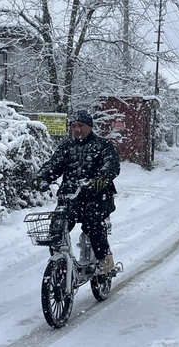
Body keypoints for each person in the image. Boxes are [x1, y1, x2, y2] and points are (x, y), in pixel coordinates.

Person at [35, 109, 120, 273]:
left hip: (97, 198)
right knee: (56, 228)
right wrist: (41, 178)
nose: (76, 129)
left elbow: (112, 166)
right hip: (70, 198)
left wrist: (99, 181)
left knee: (94, 224)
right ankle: (59, 262)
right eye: (73, 126)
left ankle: (104, 260)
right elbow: (53, 165)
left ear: (89, 126)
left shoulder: (103, 145)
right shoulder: (66, 148)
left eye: (80, 125)